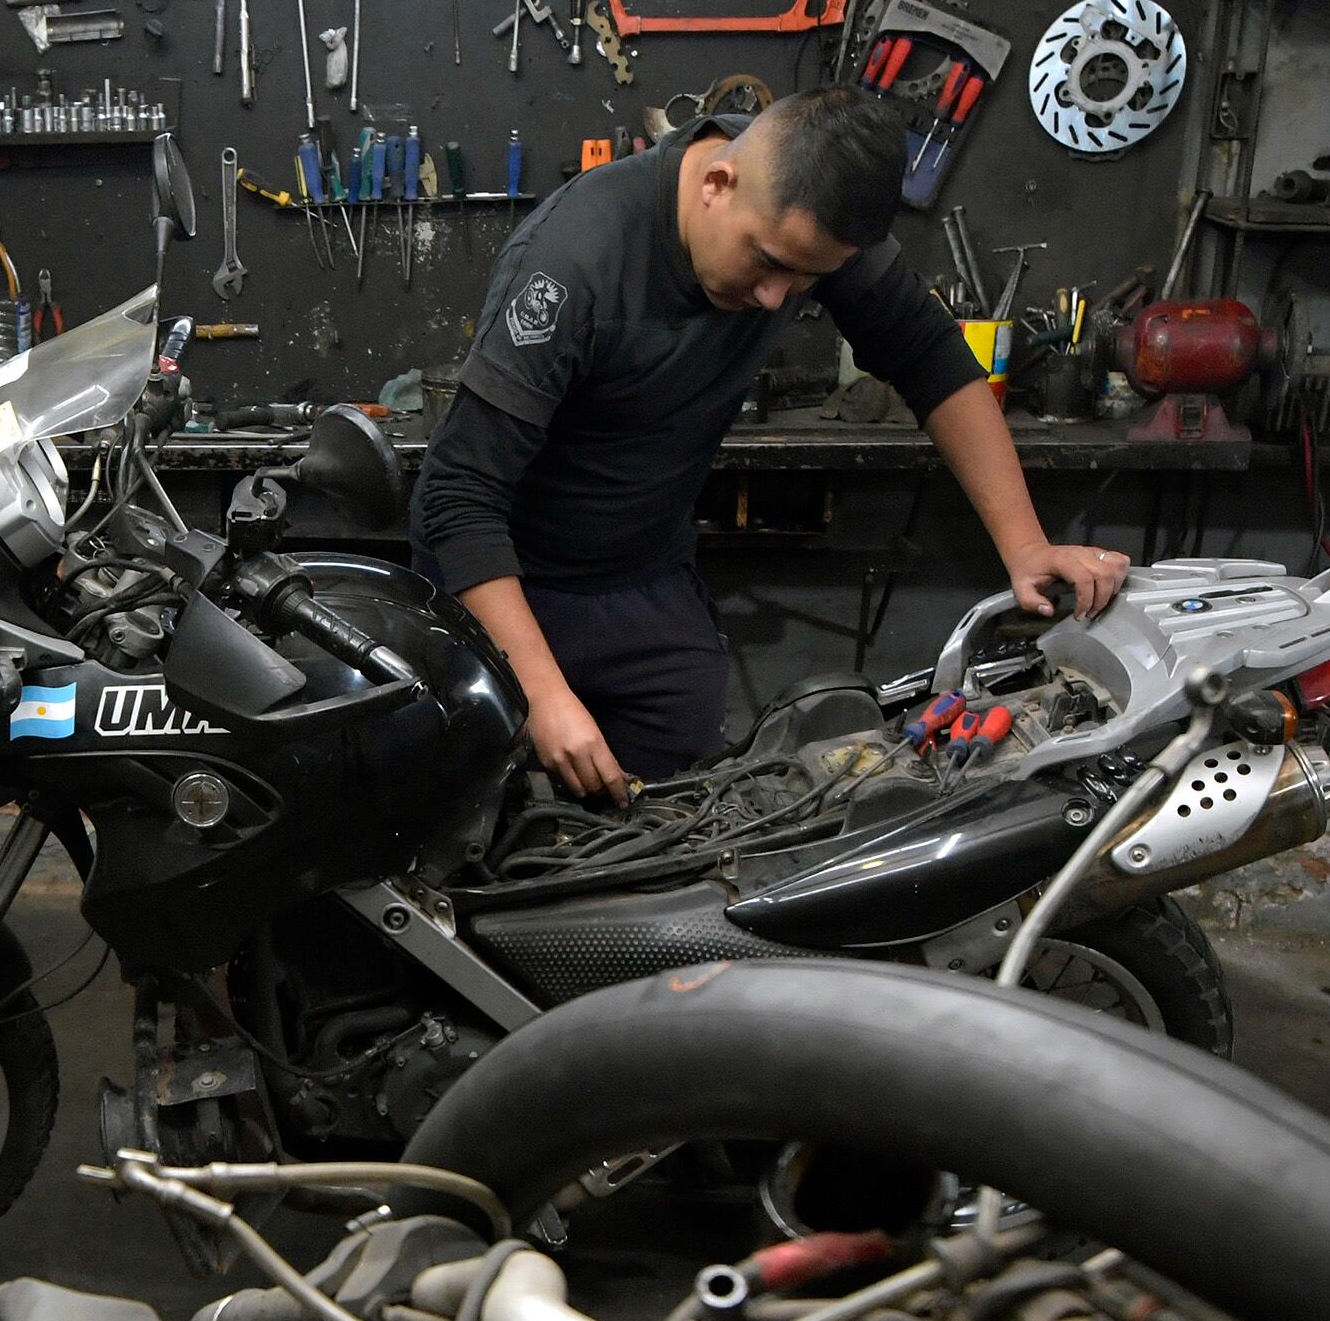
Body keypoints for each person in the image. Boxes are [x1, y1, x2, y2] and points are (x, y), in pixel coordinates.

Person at [410, 87, 1132, 803]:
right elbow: (459, 496)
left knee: (682, 828)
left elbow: (930, 356)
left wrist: (1025, 547)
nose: (775, 299)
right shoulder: (575, 260)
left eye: (805, 278)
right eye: (766, 261)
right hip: (502, 588)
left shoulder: (807, 220)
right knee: (475, 836)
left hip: (643, 577)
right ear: (716, 182)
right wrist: (539, 693)